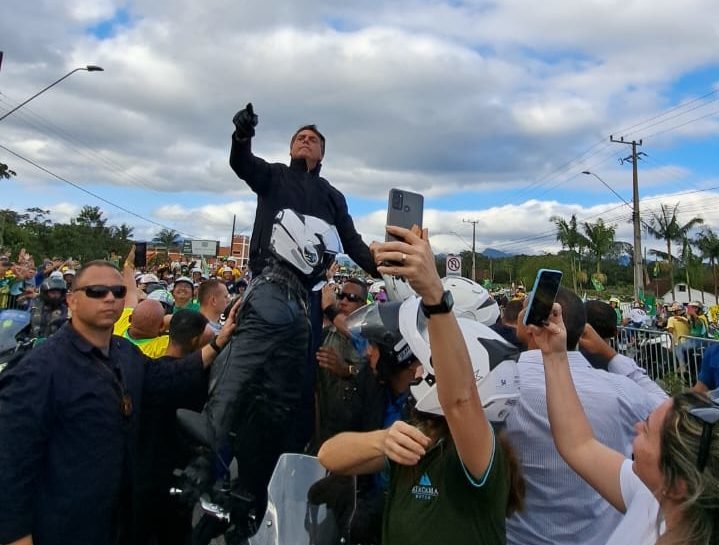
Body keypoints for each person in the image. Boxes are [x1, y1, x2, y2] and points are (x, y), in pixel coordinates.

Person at [0, 260, 238, 545]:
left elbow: (166, 375)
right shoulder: (38, 370)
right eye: (97, 291)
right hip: (64, 526)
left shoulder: (123, 352)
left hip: (120, 520)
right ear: (72, 300)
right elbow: (11, 464)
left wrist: (217, 343)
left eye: (116, 290)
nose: (110, 297)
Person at [318, 225, 524, 545]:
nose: (415, 373)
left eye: (426, 366)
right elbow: (329, 456)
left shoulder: (480, 457)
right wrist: (383, 442)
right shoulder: (419, 443)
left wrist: (433, 294)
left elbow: (459, 400)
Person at [178, 209, 343, 543]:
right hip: (261, 433)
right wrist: (207, 448)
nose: (327, 266)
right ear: (302, 249)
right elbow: (235, 370)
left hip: (273, 434)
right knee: (247, 521)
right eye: (323, 257)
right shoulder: (276, 299)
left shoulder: (282, 290)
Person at [531, 302, 719, 545]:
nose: (637, 427)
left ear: (678, 485)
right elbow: (579, 444)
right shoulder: (653, 497)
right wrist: (555, 355)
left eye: (648, 431)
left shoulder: (653, 499)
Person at [505, 287, 665, 545]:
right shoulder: (621, 390)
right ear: (583, 330)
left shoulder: (499, 383)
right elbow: (668, 410)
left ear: (530, 324)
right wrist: (611, 355)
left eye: (526, 308)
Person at [131, 310, 215, 545]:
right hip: (176, 478)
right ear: (196, 341)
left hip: (141, 475)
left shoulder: (147, 369)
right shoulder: (198, 377)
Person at [29, 275, 69, 341]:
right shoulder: (37, 305)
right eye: (53, 293)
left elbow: (65, 325)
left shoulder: (63, 308)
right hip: (35, 342)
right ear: (45, 293)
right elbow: (30, 323)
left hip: (56, 343)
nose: (56, 295)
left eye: (58, 293)